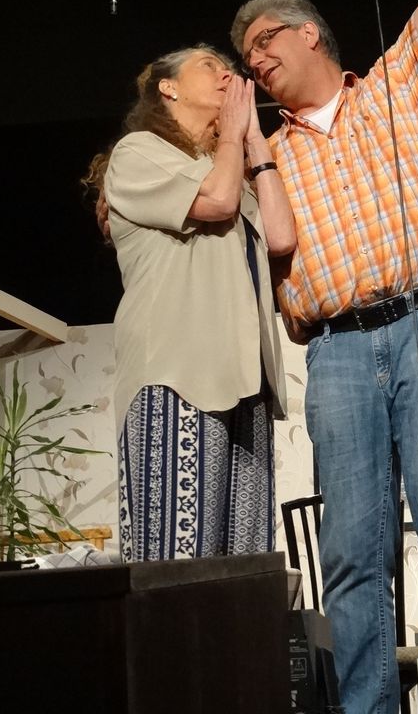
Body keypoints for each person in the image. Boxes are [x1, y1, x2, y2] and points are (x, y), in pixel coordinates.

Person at [230, 0, 418, 712]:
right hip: (337, 349)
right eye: (246, 56)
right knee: (351, 554)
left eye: (265, 40)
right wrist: (249, 151)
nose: (256, 60)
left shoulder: (398, 83)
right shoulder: (267, 160)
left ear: (311, 33)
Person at [82, 44, 296, 561]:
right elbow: (217, 202)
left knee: (243, 569)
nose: (227, 75)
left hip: (246, 381)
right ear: (168, 87)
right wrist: (232, 140)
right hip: (176, 377)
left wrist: (252, 139)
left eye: (228, 69)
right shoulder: (139, 152)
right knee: (176, 563)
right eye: (209, 66)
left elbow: (281, 237)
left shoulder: (227, 166)